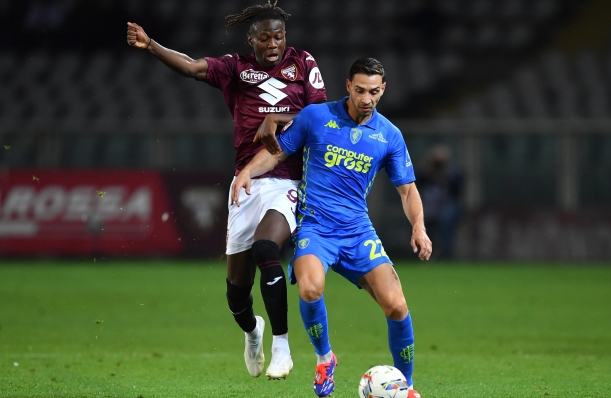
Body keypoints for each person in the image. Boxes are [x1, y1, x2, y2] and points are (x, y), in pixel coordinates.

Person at [126, 1, 327, 380]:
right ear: (251, 39)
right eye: (265, 37)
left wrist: (277, 117)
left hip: (287, 179)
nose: (273, 43)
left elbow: (321, 115)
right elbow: (190, 66)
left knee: (267, 248)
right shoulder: (235, 68)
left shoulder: (303, 63)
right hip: (246, 182)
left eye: (279, 35)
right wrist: (151, 45)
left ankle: (282, 347)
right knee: (236, 294)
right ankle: (254, 332)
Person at [231, 57, 432, 397]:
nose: (366, 98)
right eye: (359, 90)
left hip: (357, 231)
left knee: (397, 306)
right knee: (309, 288)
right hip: (315, 227)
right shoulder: (316, 117)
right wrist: (248, 170)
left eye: (373, 92)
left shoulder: (389, 135)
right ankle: (325, 358)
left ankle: (407, 386)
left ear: (383, 90)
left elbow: (407, 189)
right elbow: (278, 153)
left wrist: (419, 227)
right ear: (347, 87)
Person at [416, 145, 463, 260]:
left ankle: (446, 254)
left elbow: (458, 189)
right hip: (430, 207)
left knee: (446, 225)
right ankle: (426, 253)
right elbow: (417, 181)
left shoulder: (451, 173)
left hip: (446, 206)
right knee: (425, 227)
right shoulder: (427, 173)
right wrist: (429, 165)